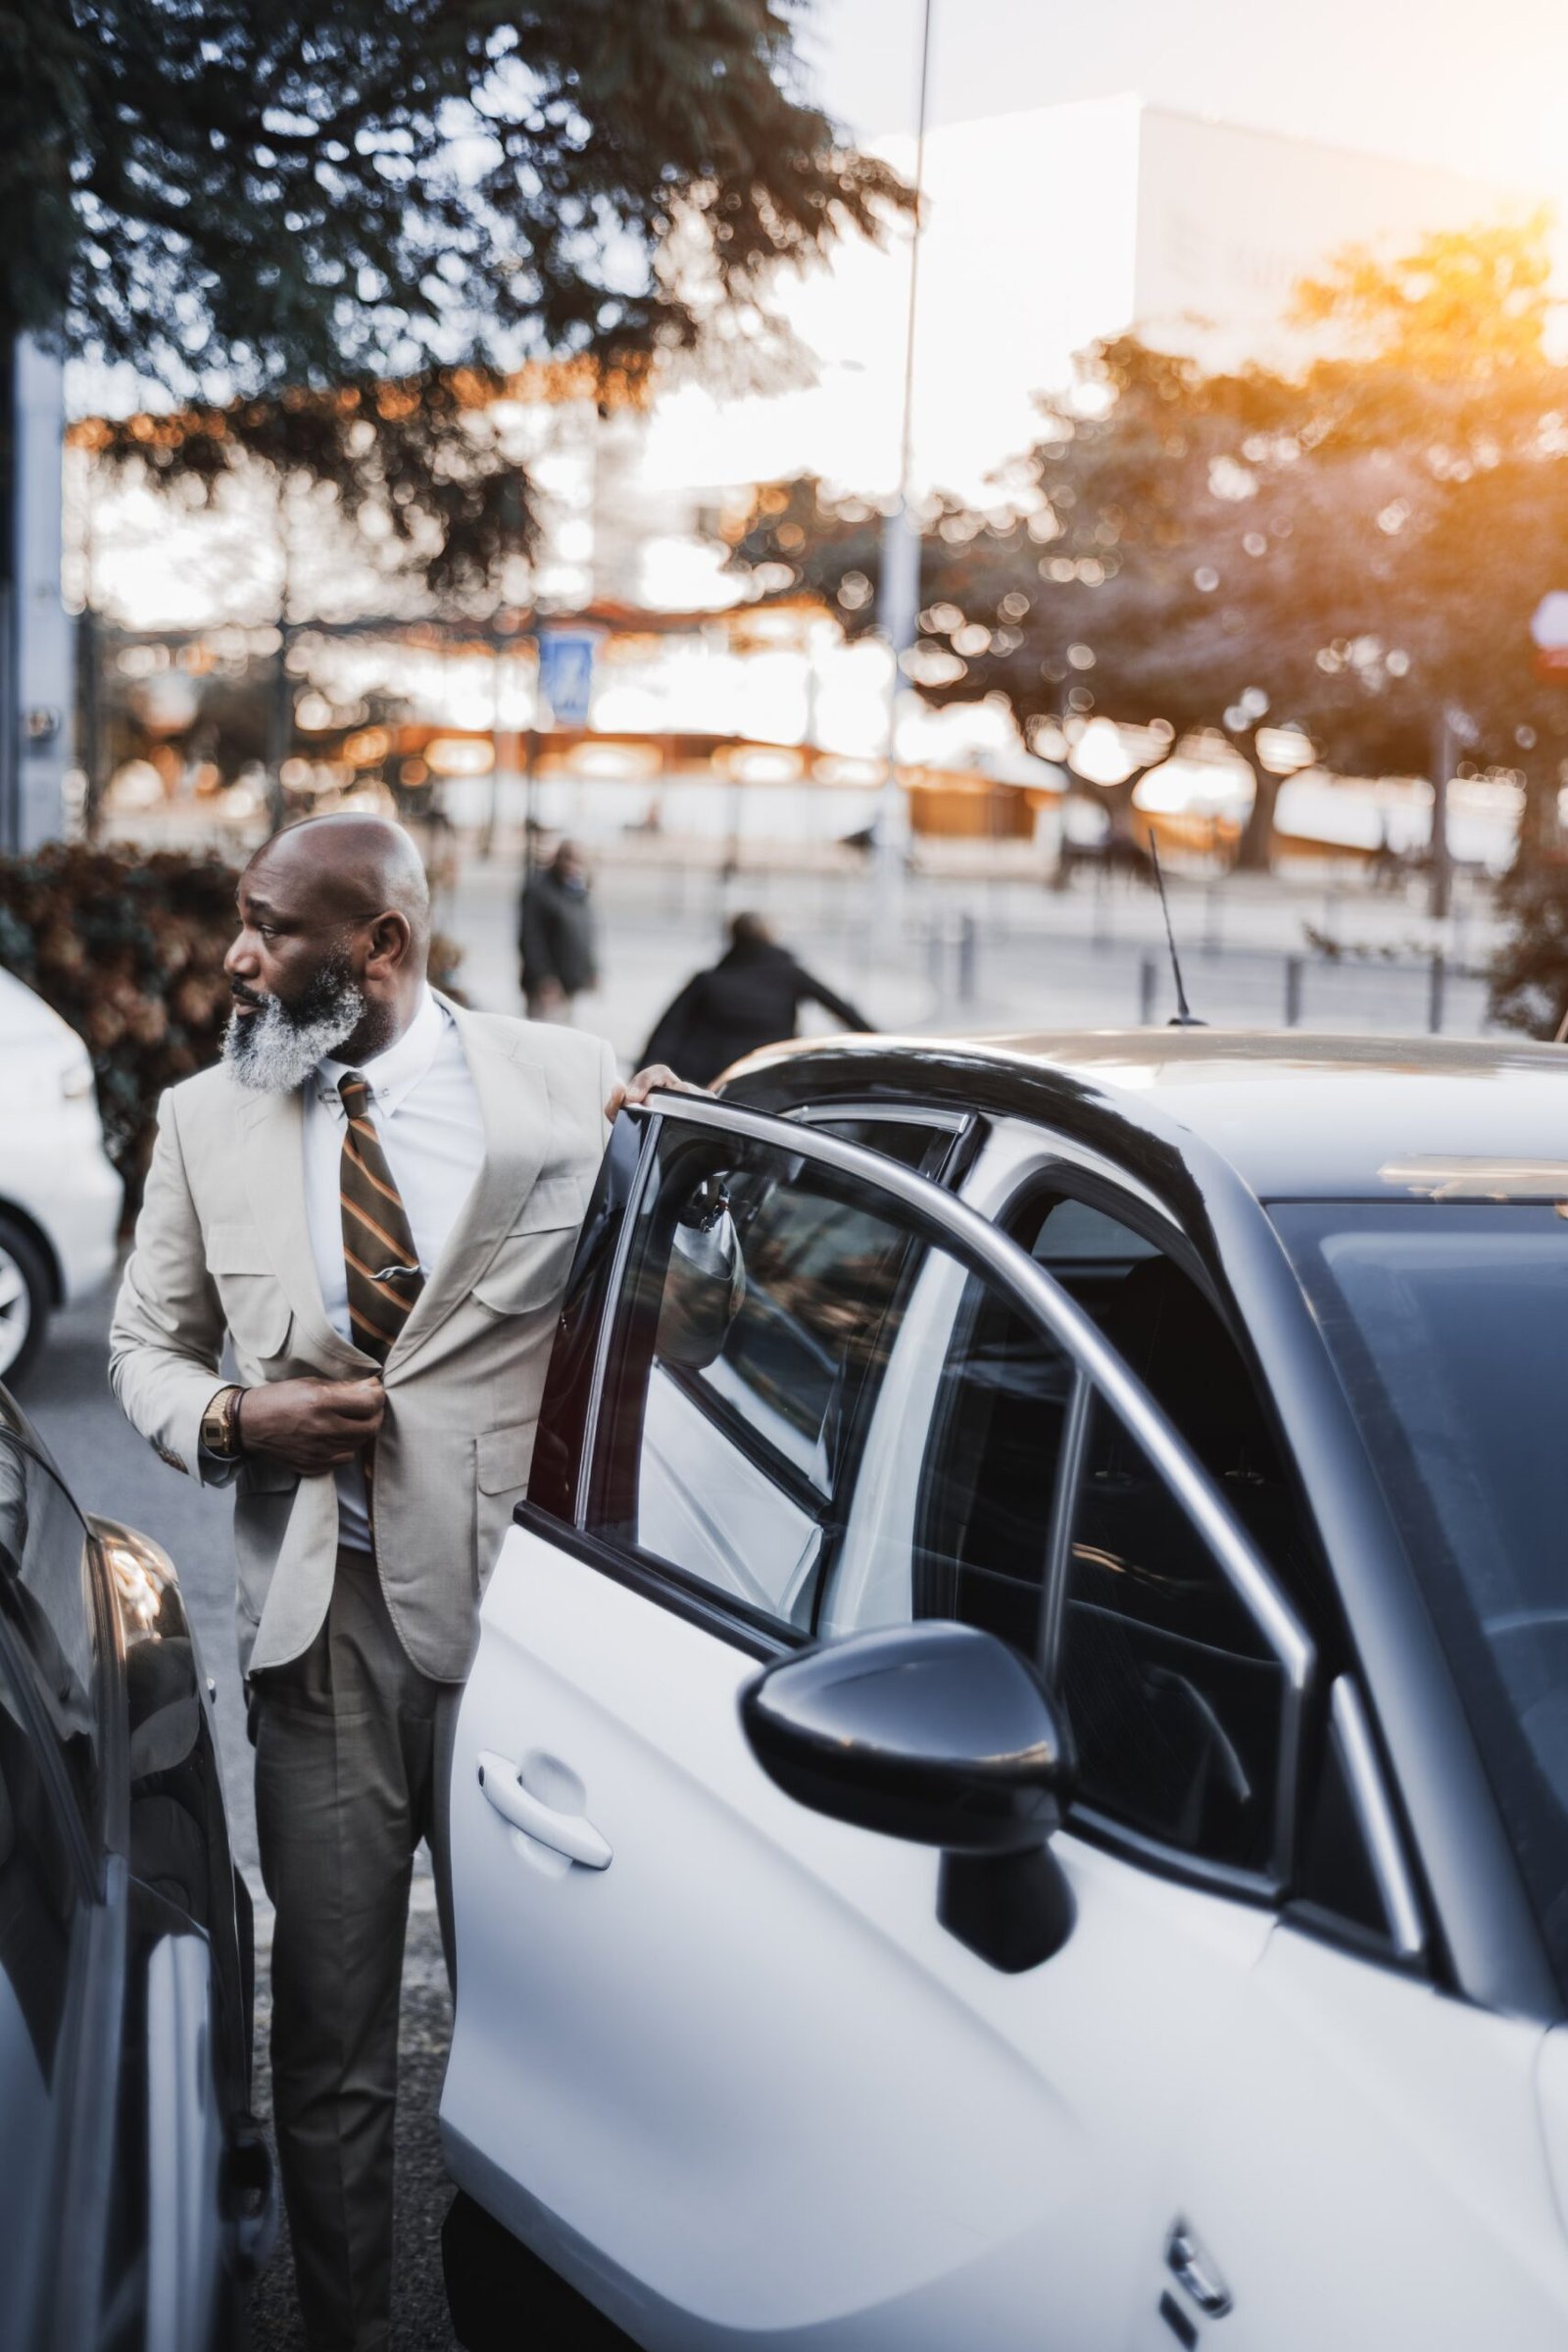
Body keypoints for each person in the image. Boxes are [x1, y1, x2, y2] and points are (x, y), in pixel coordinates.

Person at [108, 813, 677, 2352]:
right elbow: (141, 1353)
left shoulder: (570, 1083)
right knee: (335, 2037)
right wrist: (236, 1421)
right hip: (322, 1633)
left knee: (557, 2038)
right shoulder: (200, 1121)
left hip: (530, 1633)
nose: (236, 956)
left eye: (272, 928)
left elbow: (667, 1307)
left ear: (380, 949)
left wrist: (689, 1167)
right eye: (240, 920)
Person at [640, 910, 872, 1086]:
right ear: (770, 936)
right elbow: (841, 1010)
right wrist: (878, 1042)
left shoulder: (709, 980)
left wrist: (646, 1071)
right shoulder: (790, 975)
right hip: (770, 1075)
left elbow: (668, 1030)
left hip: (711, 1079)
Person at [516, 838, 598, 1019]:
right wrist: (542, 977)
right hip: (546, 986)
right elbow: (531, 939)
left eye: (578, 860)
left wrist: (591, 969)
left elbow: (586, 933)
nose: (573, 865)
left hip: (571, 981)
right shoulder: (539, 891)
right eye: (568, 858)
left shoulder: (577, 892)